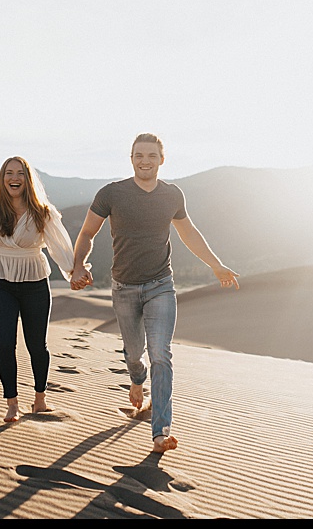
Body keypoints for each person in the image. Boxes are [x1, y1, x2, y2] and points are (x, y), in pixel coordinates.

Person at [68, 133, 239, 453]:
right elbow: (88, 233)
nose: (144, 160)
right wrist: (79, 265)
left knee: (161, 353)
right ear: (131, 159)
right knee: (134, 353)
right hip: (123, 288)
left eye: (151, 155)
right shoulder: (111, 193)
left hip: (161, 285)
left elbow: (189, 233)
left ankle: (160, 430)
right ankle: (136, 378)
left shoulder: (172, 195)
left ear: (162, 159)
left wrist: (216, 265)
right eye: (138, 155)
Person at [0, 156, 83, 423]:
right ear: (2, 178)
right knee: (5, 344)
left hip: (35, 283)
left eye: (20, 173)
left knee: (36, 346)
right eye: (8, 173)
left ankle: (40, 400)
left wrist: (74, 271)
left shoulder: (43, 211)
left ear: (28, 179)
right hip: (0, 282)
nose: (13, 178)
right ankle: (12, 403)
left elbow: (59, 245)